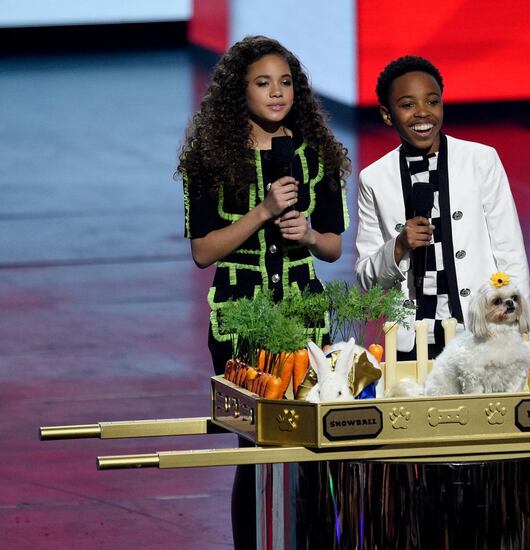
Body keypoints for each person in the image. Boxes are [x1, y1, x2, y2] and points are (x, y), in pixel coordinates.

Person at [177, 35, 350, 549]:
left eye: (286, 82)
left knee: (314, 445)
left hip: (303, 314)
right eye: (262, 83)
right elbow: (204, 251)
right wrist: (264, 213)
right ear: (239, 92)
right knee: (254, 448)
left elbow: (334, 246)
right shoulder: (209, 159)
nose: (277, 93)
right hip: (241, 318)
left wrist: (309, 236)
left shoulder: (315, 155)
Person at [355, 55, 529, 359]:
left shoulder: (481, 160)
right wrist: (398, 247)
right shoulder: (374, 179)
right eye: (408, 105)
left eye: (432, 102)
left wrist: (520, 331)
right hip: (413, 341)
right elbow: (366, 278)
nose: (423, 113)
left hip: (481, 332)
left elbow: (510, 251)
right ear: (386, 114)